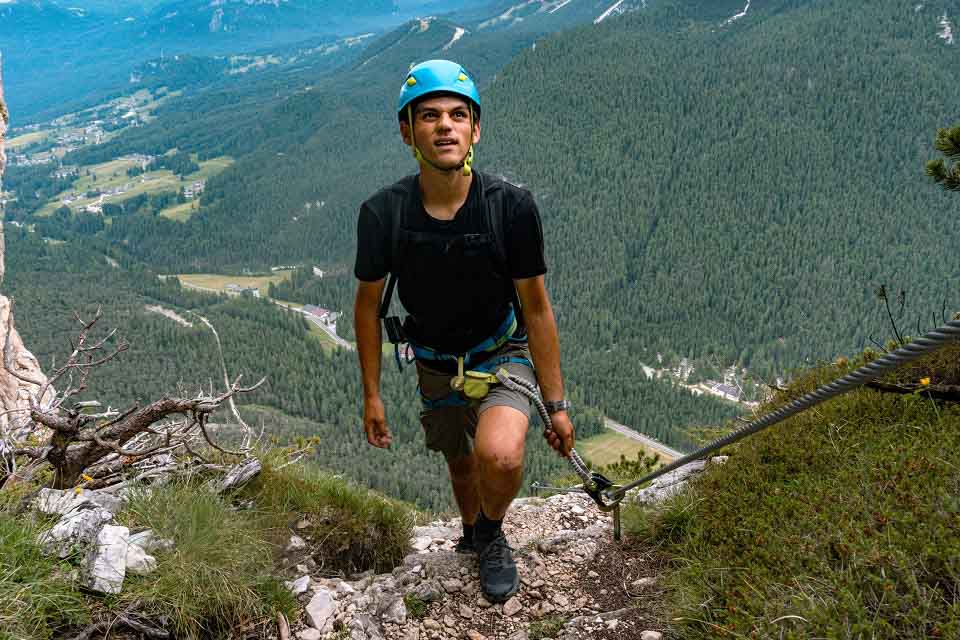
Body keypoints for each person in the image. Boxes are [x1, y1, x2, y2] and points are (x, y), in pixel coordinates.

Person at [353, 59, 575, 603]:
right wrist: (373, 395)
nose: (445, 126)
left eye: (458, 114)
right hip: (434, 364)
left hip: (502, 352)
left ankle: (492, 536)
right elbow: (365, 306)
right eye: (429, 115)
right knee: (459, 463)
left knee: (498, 455)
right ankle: (475, 530)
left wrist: (557, 403)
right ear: (408, 131)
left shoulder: (510, 208)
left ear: (476, 129)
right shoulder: (383, 214)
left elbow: (537, 309)